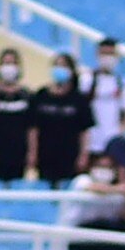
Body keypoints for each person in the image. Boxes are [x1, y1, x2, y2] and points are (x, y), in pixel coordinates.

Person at [30, 54, 93, 187]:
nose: (60, 69)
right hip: (45, 154)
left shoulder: (79, 99)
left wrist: (83, 155)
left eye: (64, 66)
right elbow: (33, 128)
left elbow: (85, 131)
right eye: (57, 65)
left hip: (70, 155)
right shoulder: (41, 95)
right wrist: (32, 152)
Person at [0, 51, 36, 183]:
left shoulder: (27, 95)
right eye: (5, 63)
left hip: (19, 152)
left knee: (17, 185)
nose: (9, 67)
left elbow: (32, 128)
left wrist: (32, 153)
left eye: (12, 63)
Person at [78, 40, 125, 153]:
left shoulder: (121, 82)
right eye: (104, 53)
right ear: (97, 55)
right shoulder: (86, 80)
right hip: (91, 141)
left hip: (113, 140)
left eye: (111, 54)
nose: (107, 58)